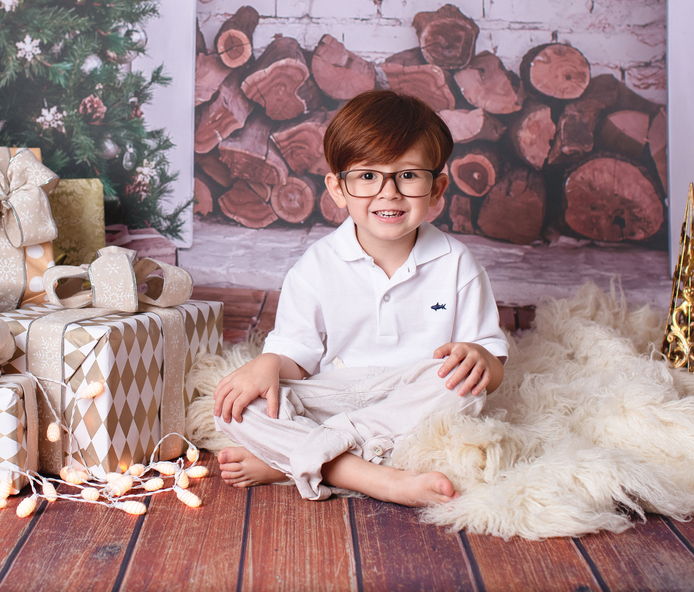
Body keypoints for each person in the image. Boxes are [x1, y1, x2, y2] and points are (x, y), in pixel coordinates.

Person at [213, 89, 508, 507]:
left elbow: (492, 369)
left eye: (408, 175)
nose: (389, 193)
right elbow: (297, 358)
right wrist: (268, 364)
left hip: (413, 397)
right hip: (336, 394)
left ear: (437, 189)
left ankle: (302, 460)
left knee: (463, 388)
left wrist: (480, 359)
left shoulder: (457, 264)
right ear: (338, 189)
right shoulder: (315, 266)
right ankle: (372, 475)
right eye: (368, 176)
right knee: (237, 406)